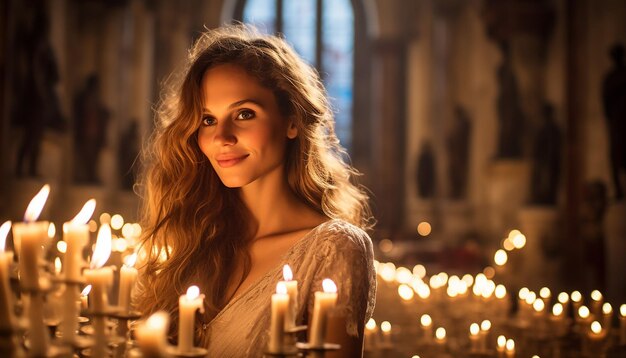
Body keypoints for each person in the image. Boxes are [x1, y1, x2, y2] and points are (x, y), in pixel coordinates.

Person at [135, 25, 376, 357]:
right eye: (207, 120)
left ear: (292, 121)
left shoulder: (335, 249)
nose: (222, 137)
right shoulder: (199, 240)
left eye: (244, 114)